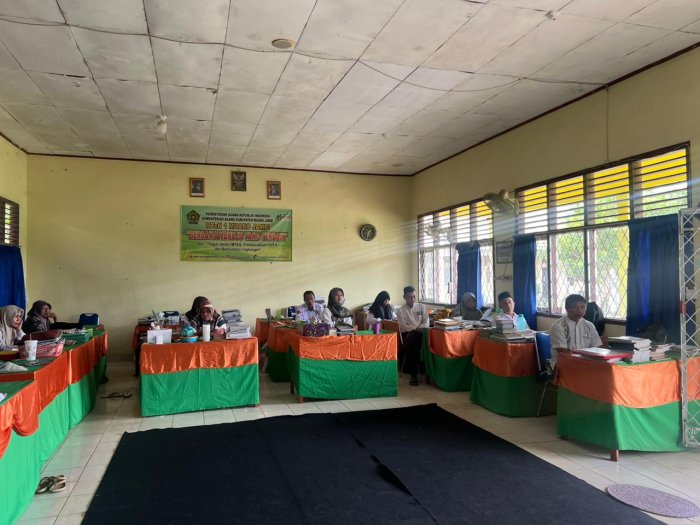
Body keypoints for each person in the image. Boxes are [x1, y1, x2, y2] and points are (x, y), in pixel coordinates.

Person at [549, 294, 603, 368]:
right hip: (563, 364)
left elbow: (596, 348)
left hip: (585, 363)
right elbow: (563, 352)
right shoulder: (558, 326)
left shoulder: (590, 325)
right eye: (574, 307)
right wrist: (583, 362)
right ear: (567, 308)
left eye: (582, 307)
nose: (579, 310)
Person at [396, 286, 429, 386]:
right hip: (409, 335)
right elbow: (403, 327)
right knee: (414, 340)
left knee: (414, 343)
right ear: (404, 297)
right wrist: (415, 328)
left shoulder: (422, 307)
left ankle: (413, 375)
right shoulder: (400, 310)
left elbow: (426, 322)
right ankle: (414, 375)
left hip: (422, 333)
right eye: (410, 297)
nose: (412, 299)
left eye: (414, 296)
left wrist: (417, 328)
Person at [0, 305, 29, 373]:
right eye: (16, 316)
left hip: (7, 359)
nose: (19, 319)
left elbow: (25, 341)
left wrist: (19, 330)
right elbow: (1, 347)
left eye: (20, 316)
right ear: (6, 316)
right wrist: (18, 347)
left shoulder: (12, 329)